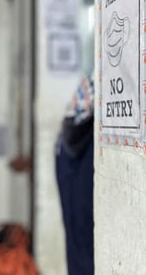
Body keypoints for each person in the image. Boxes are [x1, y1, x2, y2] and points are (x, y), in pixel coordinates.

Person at [56, 76, 94, 275]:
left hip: (73, 154)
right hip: (74, 158)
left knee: (81, 242)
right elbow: (72, 131)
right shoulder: (95, 82)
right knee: (82, 240)